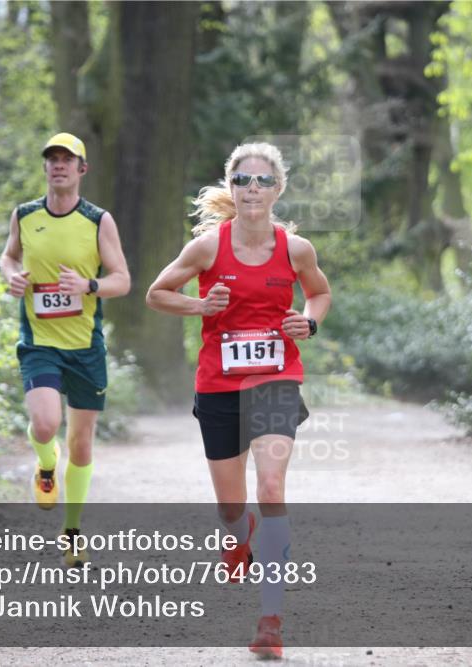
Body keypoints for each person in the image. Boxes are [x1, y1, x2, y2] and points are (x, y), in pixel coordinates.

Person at [146, 142, 332, 658]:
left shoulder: (297, 249)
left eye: (263, 181)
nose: (253, 189)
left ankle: (270, 619)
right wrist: (200, 305)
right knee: (232, 506)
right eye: (244, 180)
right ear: (231, 187)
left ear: (279, 189)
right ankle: (237, 532)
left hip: (276, 377)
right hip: (220, 385)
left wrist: (309, 321)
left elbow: (319, 292)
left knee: (271, 486)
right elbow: (157, 293)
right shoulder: (208, 247)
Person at [0, 132, 130, 567]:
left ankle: (72, 532)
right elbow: (8, 258)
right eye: (52, 159)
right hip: (39, 342)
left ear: (81, 169)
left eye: (67, 159)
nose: (58, 165)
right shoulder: (25, 215)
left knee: (81, 443)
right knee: (44, 424)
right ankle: (44, 462)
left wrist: (88, 285)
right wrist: (12, 277)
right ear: (45, 168)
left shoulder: (98, 221)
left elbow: (122, 280)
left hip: (84, 347)